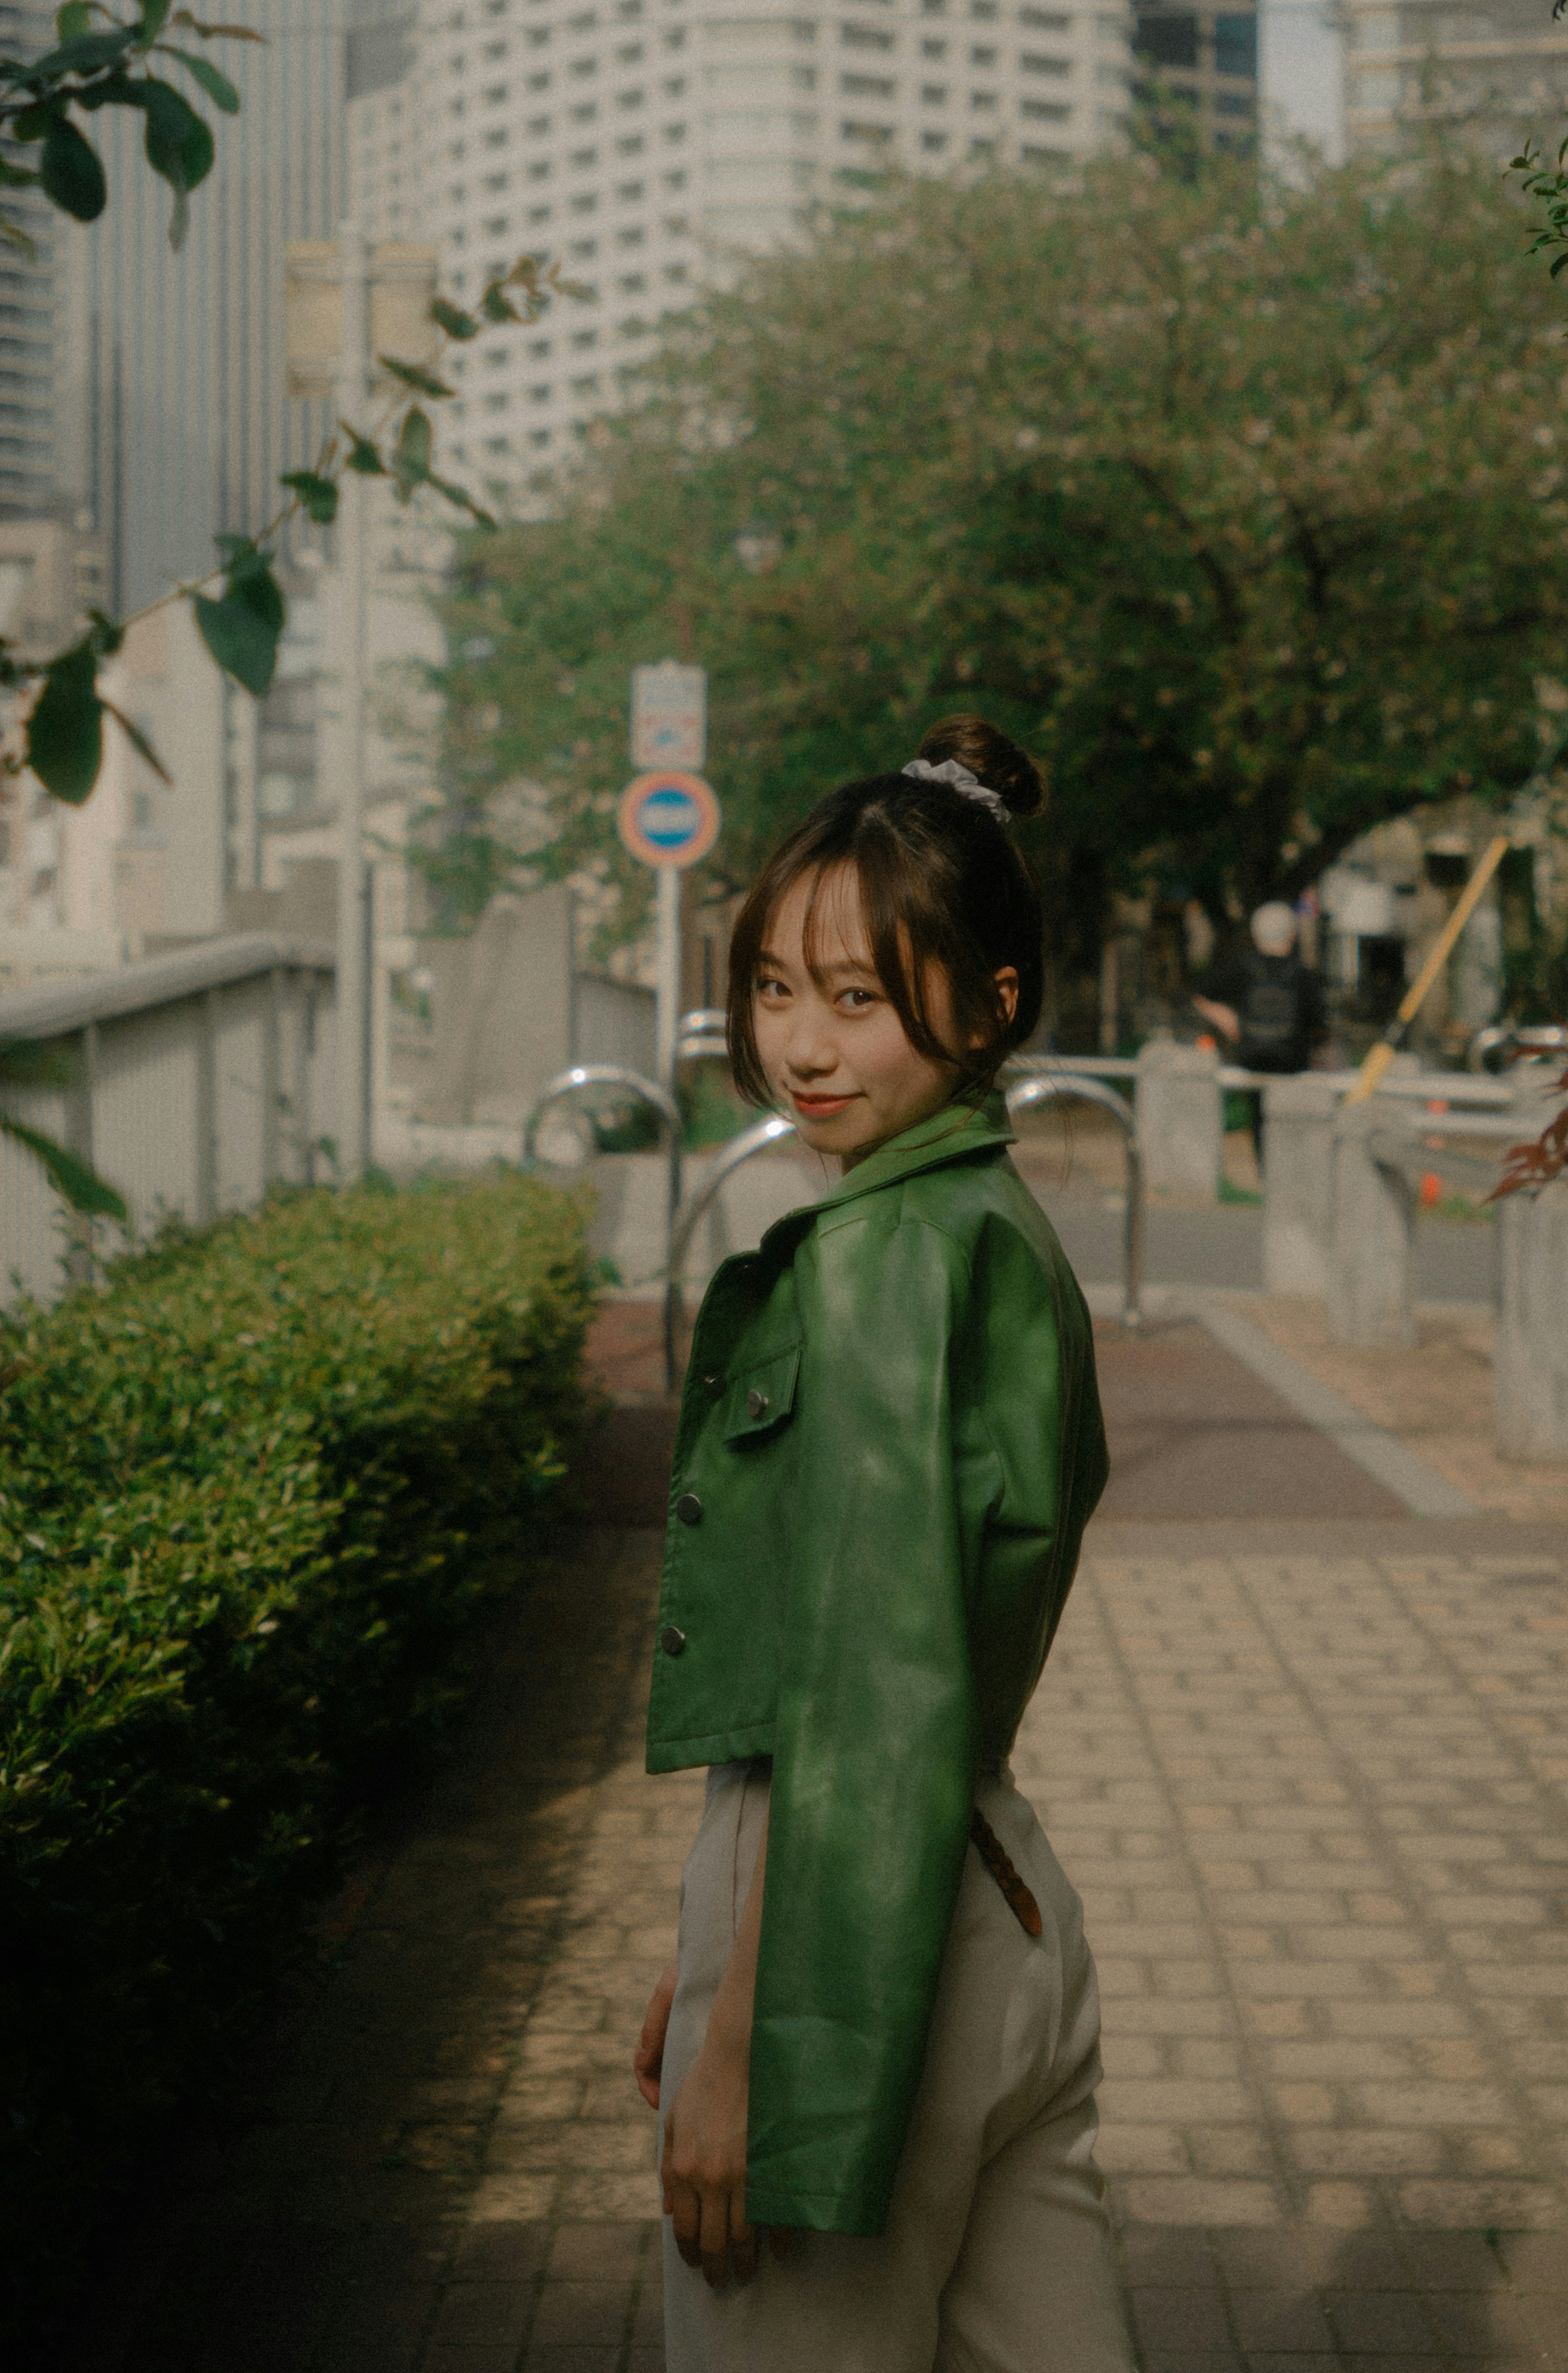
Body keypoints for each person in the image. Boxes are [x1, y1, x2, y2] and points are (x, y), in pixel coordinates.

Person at [632, 716, 1136, 2372]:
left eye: (859, 994)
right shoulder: (1002, 1232)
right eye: (777, 985)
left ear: (993, 1003)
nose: (803, 1043)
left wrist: (746, 2036)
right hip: (1000, 1904)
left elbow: (857, 1702)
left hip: (863, 1938)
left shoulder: (882, 1263)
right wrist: (710, 1968)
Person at [1194, 899, 1328, 1167]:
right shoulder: (1304, 975)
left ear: (1256, 935)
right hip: (1293, 1063)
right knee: (1292, 1122)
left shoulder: (1243, 969)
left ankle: (1266, 1174)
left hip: (1253, 1059)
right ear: (1292, 935)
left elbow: (1201, 995)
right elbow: (1319, 1026)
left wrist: (1230, 1021)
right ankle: (1289, 1174)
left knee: (1260, 1120)